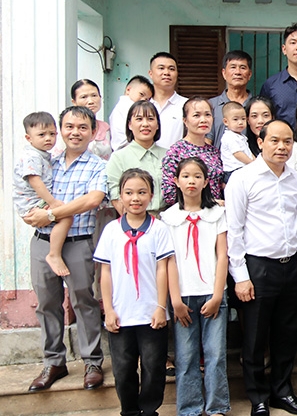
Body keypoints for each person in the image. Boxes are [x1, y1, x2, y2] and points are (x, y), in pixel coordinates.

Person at [225, 119, 297, 416]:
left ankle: (282, 391)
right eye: (274, 140)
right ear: (259, 142)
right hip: (257, 268)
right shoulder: (242, 178)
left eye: (287, 141)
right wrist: (240, 277)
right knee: (254, 336)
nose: (281, 146)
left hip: (290, 267)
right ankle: (258, 397)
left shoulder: (296, 178)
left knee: (287, 333)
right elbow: (234, 230)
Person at [23, 106, 106, 392]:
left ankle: (92, 361)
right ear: (61, 130)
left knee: (84, 301)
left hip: (78, 242)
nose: (75, 132)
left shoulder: (97, 165)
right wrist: (39, 216)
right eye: (69, 126)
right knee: (47, 303)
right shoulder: (47, 162)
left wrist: (50, 214)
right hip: (42, 241)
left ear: (92, 131)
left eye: (83, 127)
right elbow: (27, 193)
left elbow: (93, 200)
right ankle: (53, 362)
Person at [95, 168, 173, 416]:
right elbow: (105, 273)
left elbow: (162, 269)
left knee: (153, 365)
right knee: (123, 367)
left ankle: (149, 410)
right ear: (120, 196)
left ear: (151, 196)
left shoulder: (159, 229)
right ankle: (129, 411)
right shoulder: (111, 231)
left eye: (142, 192)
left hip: (151, 313)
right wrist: (108, 310)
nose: (135, 198)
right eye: (129, 192)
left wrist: (161, 307)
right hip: (121, 313)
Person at [162, 157, 231, 416]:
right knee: (186, 356)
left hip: (212, 294)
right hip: (183, 296)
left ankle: (217, 407)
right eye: (186, 176)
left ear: (205, 182)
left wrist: (217, 294)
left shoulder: (217, 214)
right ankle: (189, 408)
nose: (191, 181)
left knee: (215, 354)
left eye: (197, 176)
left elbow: (222, 255)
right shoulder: (168, 218)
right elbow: (168, 261)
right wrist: (175, 300)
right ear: (176, 181)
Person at [14, 112, 72, 277]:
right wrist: (52, 202)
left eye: (52, 134)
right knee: (66, 216)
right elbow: (35, 182)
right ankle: (54, 254)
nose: (48, 138)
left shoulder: (43, 156)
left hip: (35, 202)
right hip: (32, 203)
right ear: (28, 138)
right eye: (42, 135)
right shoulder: (31, 157)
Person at [106, 101, 167, 216]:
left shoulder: (169, 155)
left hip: (167, 219)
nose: (145, 124)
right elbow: (115, 193)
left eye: (150, 119)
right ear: (129, 124)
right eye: (139, 119)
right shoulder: (118, 157)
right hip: (135, 220)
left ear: (157, 124)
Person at [162, 97, 223, 207]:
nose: (203, 120)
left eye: (207, 115)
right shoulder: (176, 152)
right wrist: (207, 202)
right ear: (185, 120)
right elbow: (169, 193)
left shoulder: (214, 152)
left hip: (215, 214)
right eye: (196, 115)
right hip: (187, 215)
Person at [208, 50, 254, 149]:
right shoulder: (210, 105)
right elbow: (206, 141)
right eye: (233, 67)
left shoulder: (257, 106)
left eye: (243, 68)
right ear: (224, 73)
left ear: (249, 74)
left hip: (251, 163)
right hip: (218, 163)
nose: (237, 72)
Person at [149, 52, 188, 148]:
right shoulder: (142, 105)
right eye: (161, 68)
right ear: (151, 73)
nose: (166, 73)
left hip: (178, 161)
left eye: (171, 69)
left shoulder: (187, 105)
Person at [67, 79, 113, 160]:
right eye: (84, 97)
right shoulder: (68, 127)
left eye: (94, 95)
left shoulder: (105, 128)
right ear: (74, 102)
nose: (91, 101)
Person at [108, 75, 155, 150]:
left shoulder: (119, 106)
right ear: (128, 90)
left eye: (147, 99)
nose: (143, 100)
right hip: (127, 147)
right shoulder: (128, 106)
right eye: (141, 94)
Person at [219, 101, 255, 181]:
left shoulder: (241, 136)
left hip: (243, 168)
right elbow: (238, 154)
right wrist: (252, 163)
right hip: (233, 170)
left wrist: (255, 160)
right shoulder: (229, 136)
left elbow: (247, 151)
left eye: (243, 119)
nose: (240, 122)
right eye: (235, 119)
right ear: (226, 122)